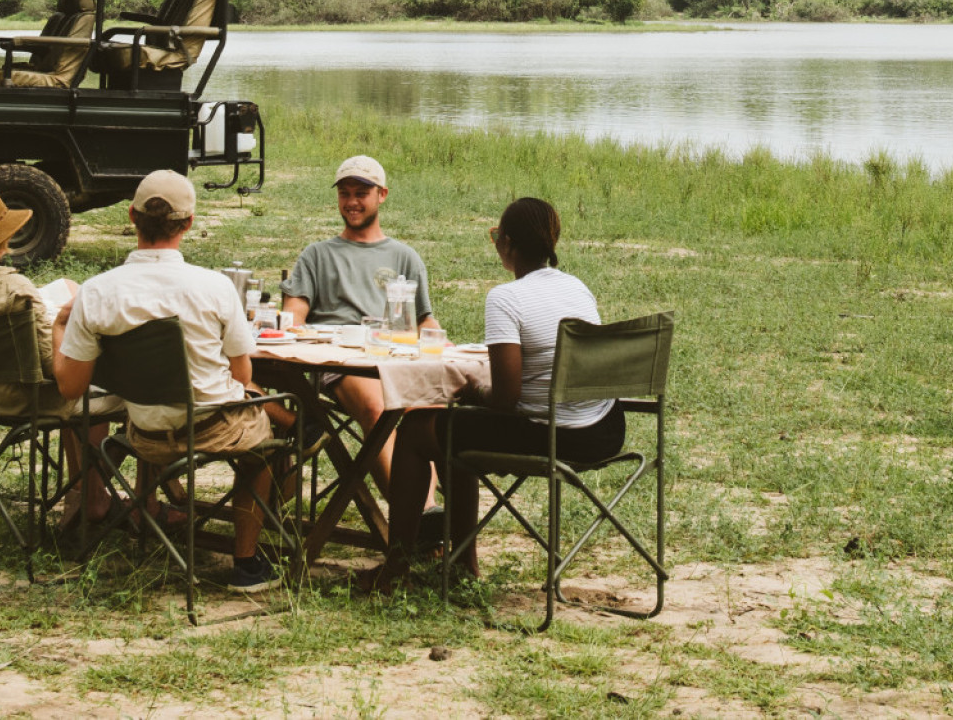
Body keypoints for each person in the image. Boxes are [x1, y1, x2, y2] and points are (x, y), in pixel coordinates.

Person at [366, 196, 625, 593]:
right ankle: (463, 562)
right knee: (456, 428)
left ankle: (397, 568)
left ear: (507, 244)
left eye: (495, 237)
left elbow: (505, 399)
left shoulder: (505, 298)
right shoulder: (578, 288)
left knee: (419, 428)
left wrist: (475, 389)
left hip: (553, 433)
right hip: (604, 430)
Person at [53, 168, 291, 592]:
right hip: (211, 429)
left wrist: (58, 326)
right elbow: (243, 376)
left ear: (131, 216)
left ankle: (162, 506)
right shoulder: (215, 288)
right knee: (263, 440)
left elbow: (71, 390)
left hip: (143, 432)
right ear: (188, 224)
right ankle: (247, 562)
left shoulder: (96, 292)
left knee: (161, 403)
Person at [0, 184, 113, 528]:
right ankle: (93, 498)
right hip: (33, 400)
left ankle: (86, 495)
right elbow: (56, 370)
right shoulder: (15, 290)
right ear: (2, 243)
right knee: (91, 392)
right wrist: (63, 322)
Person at [282, 154, 437, 489]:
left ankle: (429, 515)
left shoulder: (404, 256)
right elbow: (292, 319)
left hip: (396, 359)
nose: (351, 202)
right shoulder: (317, 255)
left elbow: (425, 320)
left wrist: (441, 345)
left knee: (431, 411)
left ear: (382, 195)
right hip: (341, 362)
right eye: (344, 193)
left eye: (361, 194)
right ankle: (415, 523)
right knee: (375, 408)